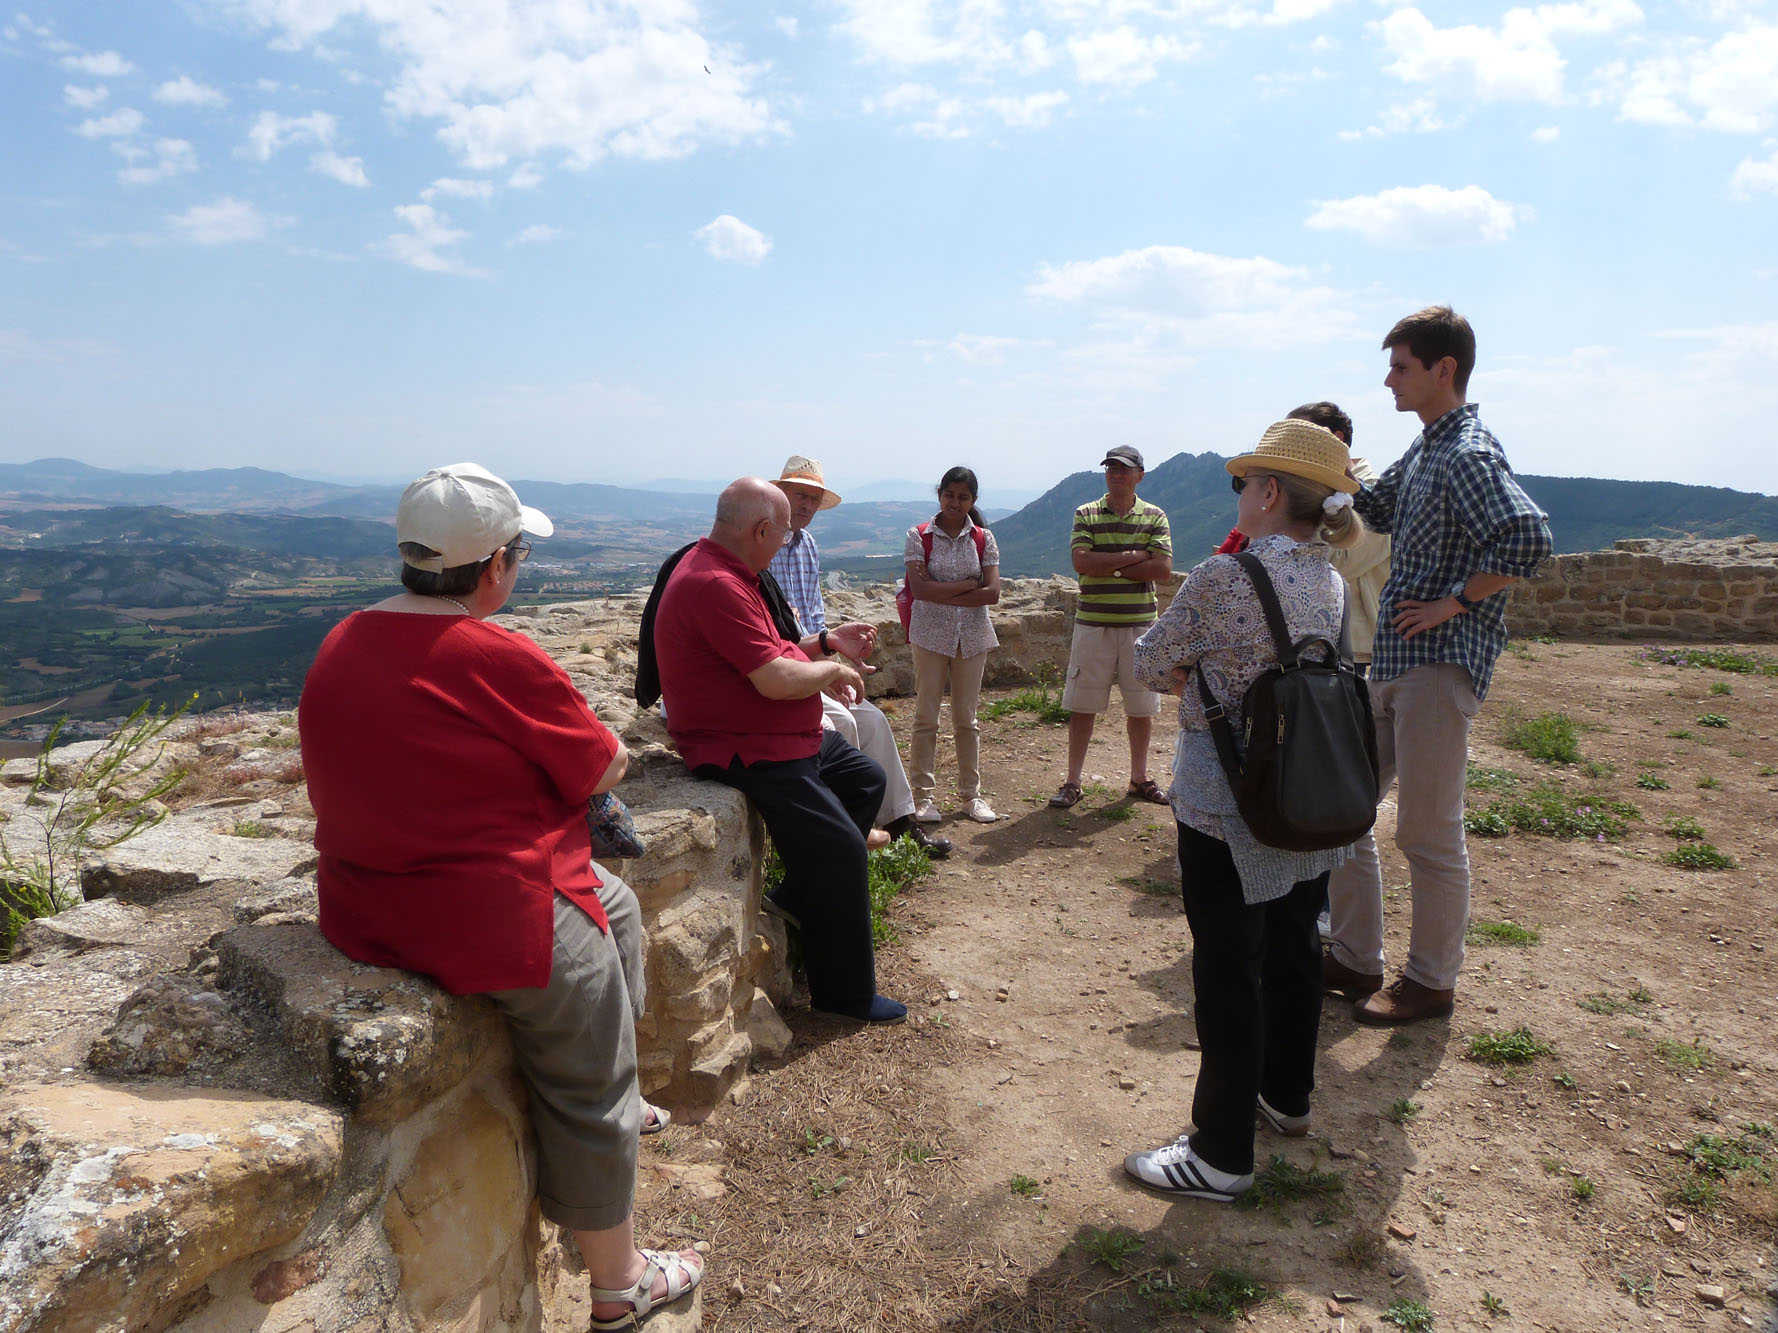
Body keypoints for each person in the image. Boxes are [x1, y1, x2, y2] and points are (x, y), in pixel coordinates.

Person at [298, 463, 701, 1329]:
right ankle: (620, 1280)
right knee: (590, 1073)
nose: (518, 566)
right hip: (488, 916)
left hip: (364, 903)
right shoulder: (495, 652)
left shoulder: (344, 637)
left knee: (618, 906)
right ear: (492, 567)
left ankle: (621, 1106)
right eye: (518, 553)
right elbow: (604, 765)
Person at [1122, 420, 1364, 1202]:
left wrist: (1194, 674)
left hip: (1225, 803)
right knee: (1294, 946)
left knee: (1228, 965)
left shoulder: (1224, 576)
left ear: (1269, 493)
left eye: (1245, 482)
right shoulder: (1328, 578)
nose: (1240, 494)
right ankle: (1286, 1095)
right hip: (1304, 795)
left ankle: (1220, 1153)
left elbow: (1148, 660)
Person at [1323, 306, 1554, 1025]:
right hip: (1396, 662)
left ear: (1442, 369)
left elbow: (1529, 540)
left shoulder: (1466, 453)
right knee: (1343, 808)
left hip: (1438, 664)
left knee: (1426, 833)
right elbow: (1374, 507)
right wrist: (1322, 477)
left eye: (1400, 367)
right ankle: (1355, 956)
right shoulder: (1429, 447)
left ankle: (1430, 982)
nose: (1388, 380)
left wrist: (1454, 603)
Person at [655, 477, 907, 1025]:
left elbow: (772, 650)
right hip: (742, 748)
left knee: (864, 780)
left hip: (778, 738)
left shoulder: (732, 572)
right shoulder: (714, 584)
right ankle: (844, 994)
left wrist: (825, 643)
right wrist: (833, 670)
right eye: (783, 533)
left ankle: (798, 893)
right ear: (761, 529)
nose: (786, 542)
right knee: (842, 849)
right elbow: (773, 678)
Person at [766, 455, 951, 859]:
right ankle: (840, 841)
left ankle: (899, 823)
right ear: (779, 495)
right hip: (781, 671)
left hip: (810, 662)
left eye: (814, 499)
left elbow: (814, 620)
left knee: (874, 721)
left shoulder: (806, 546)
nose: (807, 505)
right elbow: (775, 638)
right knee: (846, 722)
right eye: (799, 495)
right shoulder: (763, 547)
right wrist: (824, 668)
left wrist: (832, 663)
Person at [1050, 445, 1173, 809]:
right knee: (1082, 705)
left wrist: (1107, 565)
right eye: (1111, 469)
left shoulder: (1155, 516)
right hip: (1094, 623)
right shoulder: (1086, 513)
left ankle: (1139, 777)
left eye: (1124, 469)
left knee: (1141, 706)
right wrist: (1135, 557)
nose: (1116, 474)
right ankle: (1073, 780)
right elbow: (1081, 562)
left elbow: (1162, 569)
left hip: (1140, 625)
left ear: (1140, 475)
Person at [902, 466, 1002, 825]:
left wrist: (941, 591)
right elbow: (920, 591)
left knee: (967, 719)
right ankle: (922, 796)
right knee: (926, 716)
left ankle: (971, 795)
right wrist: (966, 585)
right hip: (929, 635)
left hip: (971, 637)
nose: (954, 503)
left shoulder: (983, 538)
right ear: (939, 495)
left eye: (962, 497)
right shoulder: (918, 536)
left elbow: (992, 593)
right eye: (949, 495)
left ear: (972, 500)